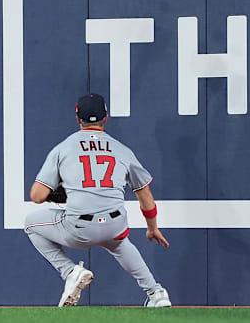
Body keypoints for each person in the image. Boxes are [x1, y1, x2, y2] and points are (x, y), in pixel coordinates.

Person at [24, 93, 172, 307]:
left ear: (77, 119)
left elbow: (37, 196)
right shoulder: (122, 150)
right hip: (114, 225)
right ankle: (156, 294)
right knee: (120, 243)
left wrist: (62, 189)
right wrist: (152, 228)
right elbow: (145, 194)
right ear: (106, 117)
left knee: (30, 223)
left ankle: (70, 272)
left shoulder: (63, 148)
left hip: (79, 228)